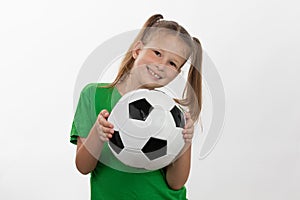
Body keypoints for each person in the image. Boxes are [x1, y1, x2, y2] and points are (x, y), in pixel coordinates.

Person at [70, 14, 202, 200]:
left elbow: (176, 183)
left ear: (177, 73)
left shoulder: (173, 115)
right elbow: (83, 167)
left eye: (172, 63)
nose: (161, 65)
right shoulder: (93, 96)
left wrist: (186, 142)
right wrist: (98, 135)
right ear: (137, 50)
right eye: (157, 53)